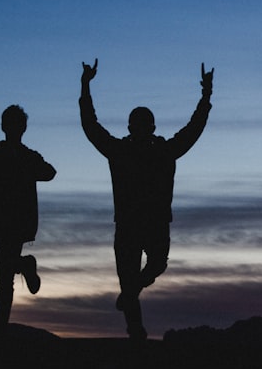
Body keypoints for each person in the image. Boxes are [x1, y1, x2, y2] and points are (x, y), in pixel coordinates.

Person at [80, 59, 213, 340]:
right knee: (134, 277)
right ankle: (136, 332)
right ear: (137, 127)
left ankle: (131, 300)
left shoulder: (154, 150)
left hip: (147, 224)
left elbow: (193, 130)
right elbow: (91, 127)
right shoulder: (132, 150)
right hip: (134, 224)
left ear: (146, 127)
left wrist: (206, 97)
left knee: (147, 272)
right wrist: (85, 86)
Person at [0, 105, 57, 326]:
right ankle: (24, 265)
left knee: (4, 277)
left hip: (11, 219)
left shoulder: (22, 156)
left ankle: (1, 329)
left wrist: (23, 164)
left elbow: (49, 173)